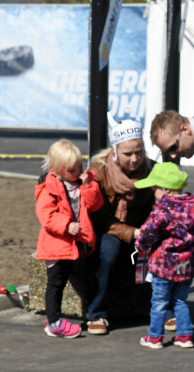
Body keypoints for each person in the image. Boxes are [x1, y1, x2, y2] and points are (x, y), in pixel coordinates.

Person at [85, 113, 155, 335]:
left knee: (167, 250)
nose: (135, 159)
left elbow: (160, 205)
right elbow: (100, 217)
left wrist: (150, 230)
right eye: (128, 154)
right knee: (109, 252)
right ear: (114, 151)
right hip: (111, 228)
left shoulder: (153, 170)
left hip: (144, 227)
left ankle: (165, 308)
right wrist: (132, 233)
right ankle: (97, 312)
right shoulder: (99, 172)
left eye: (139, 152)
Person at [35, 140, 102, 338]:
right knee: (56, 283)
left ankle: (87, 312)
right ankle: (54, 321)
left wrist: (88, 185)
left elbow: (95, 204)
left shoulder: (83, 182)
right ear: (57, 170)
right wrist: (65, 225)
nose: (78, 172)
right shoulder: (50, 187)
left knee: (82, 276)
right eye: (72, 170)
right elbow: (46, 215)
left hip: (78, 242)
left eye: (80, 167)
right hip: (57, 244)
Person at [134, 162, 194, 349]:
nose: (153, 194)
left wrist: (140, 245)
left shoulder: (162, 210)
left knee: (159, 302)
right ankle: (185, 336)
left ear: (166, 190)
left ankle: (155, 337)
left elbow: (147, 233)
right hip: (186, 265)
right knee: (180, 301)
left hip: (163, 265)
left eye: (155, 190)